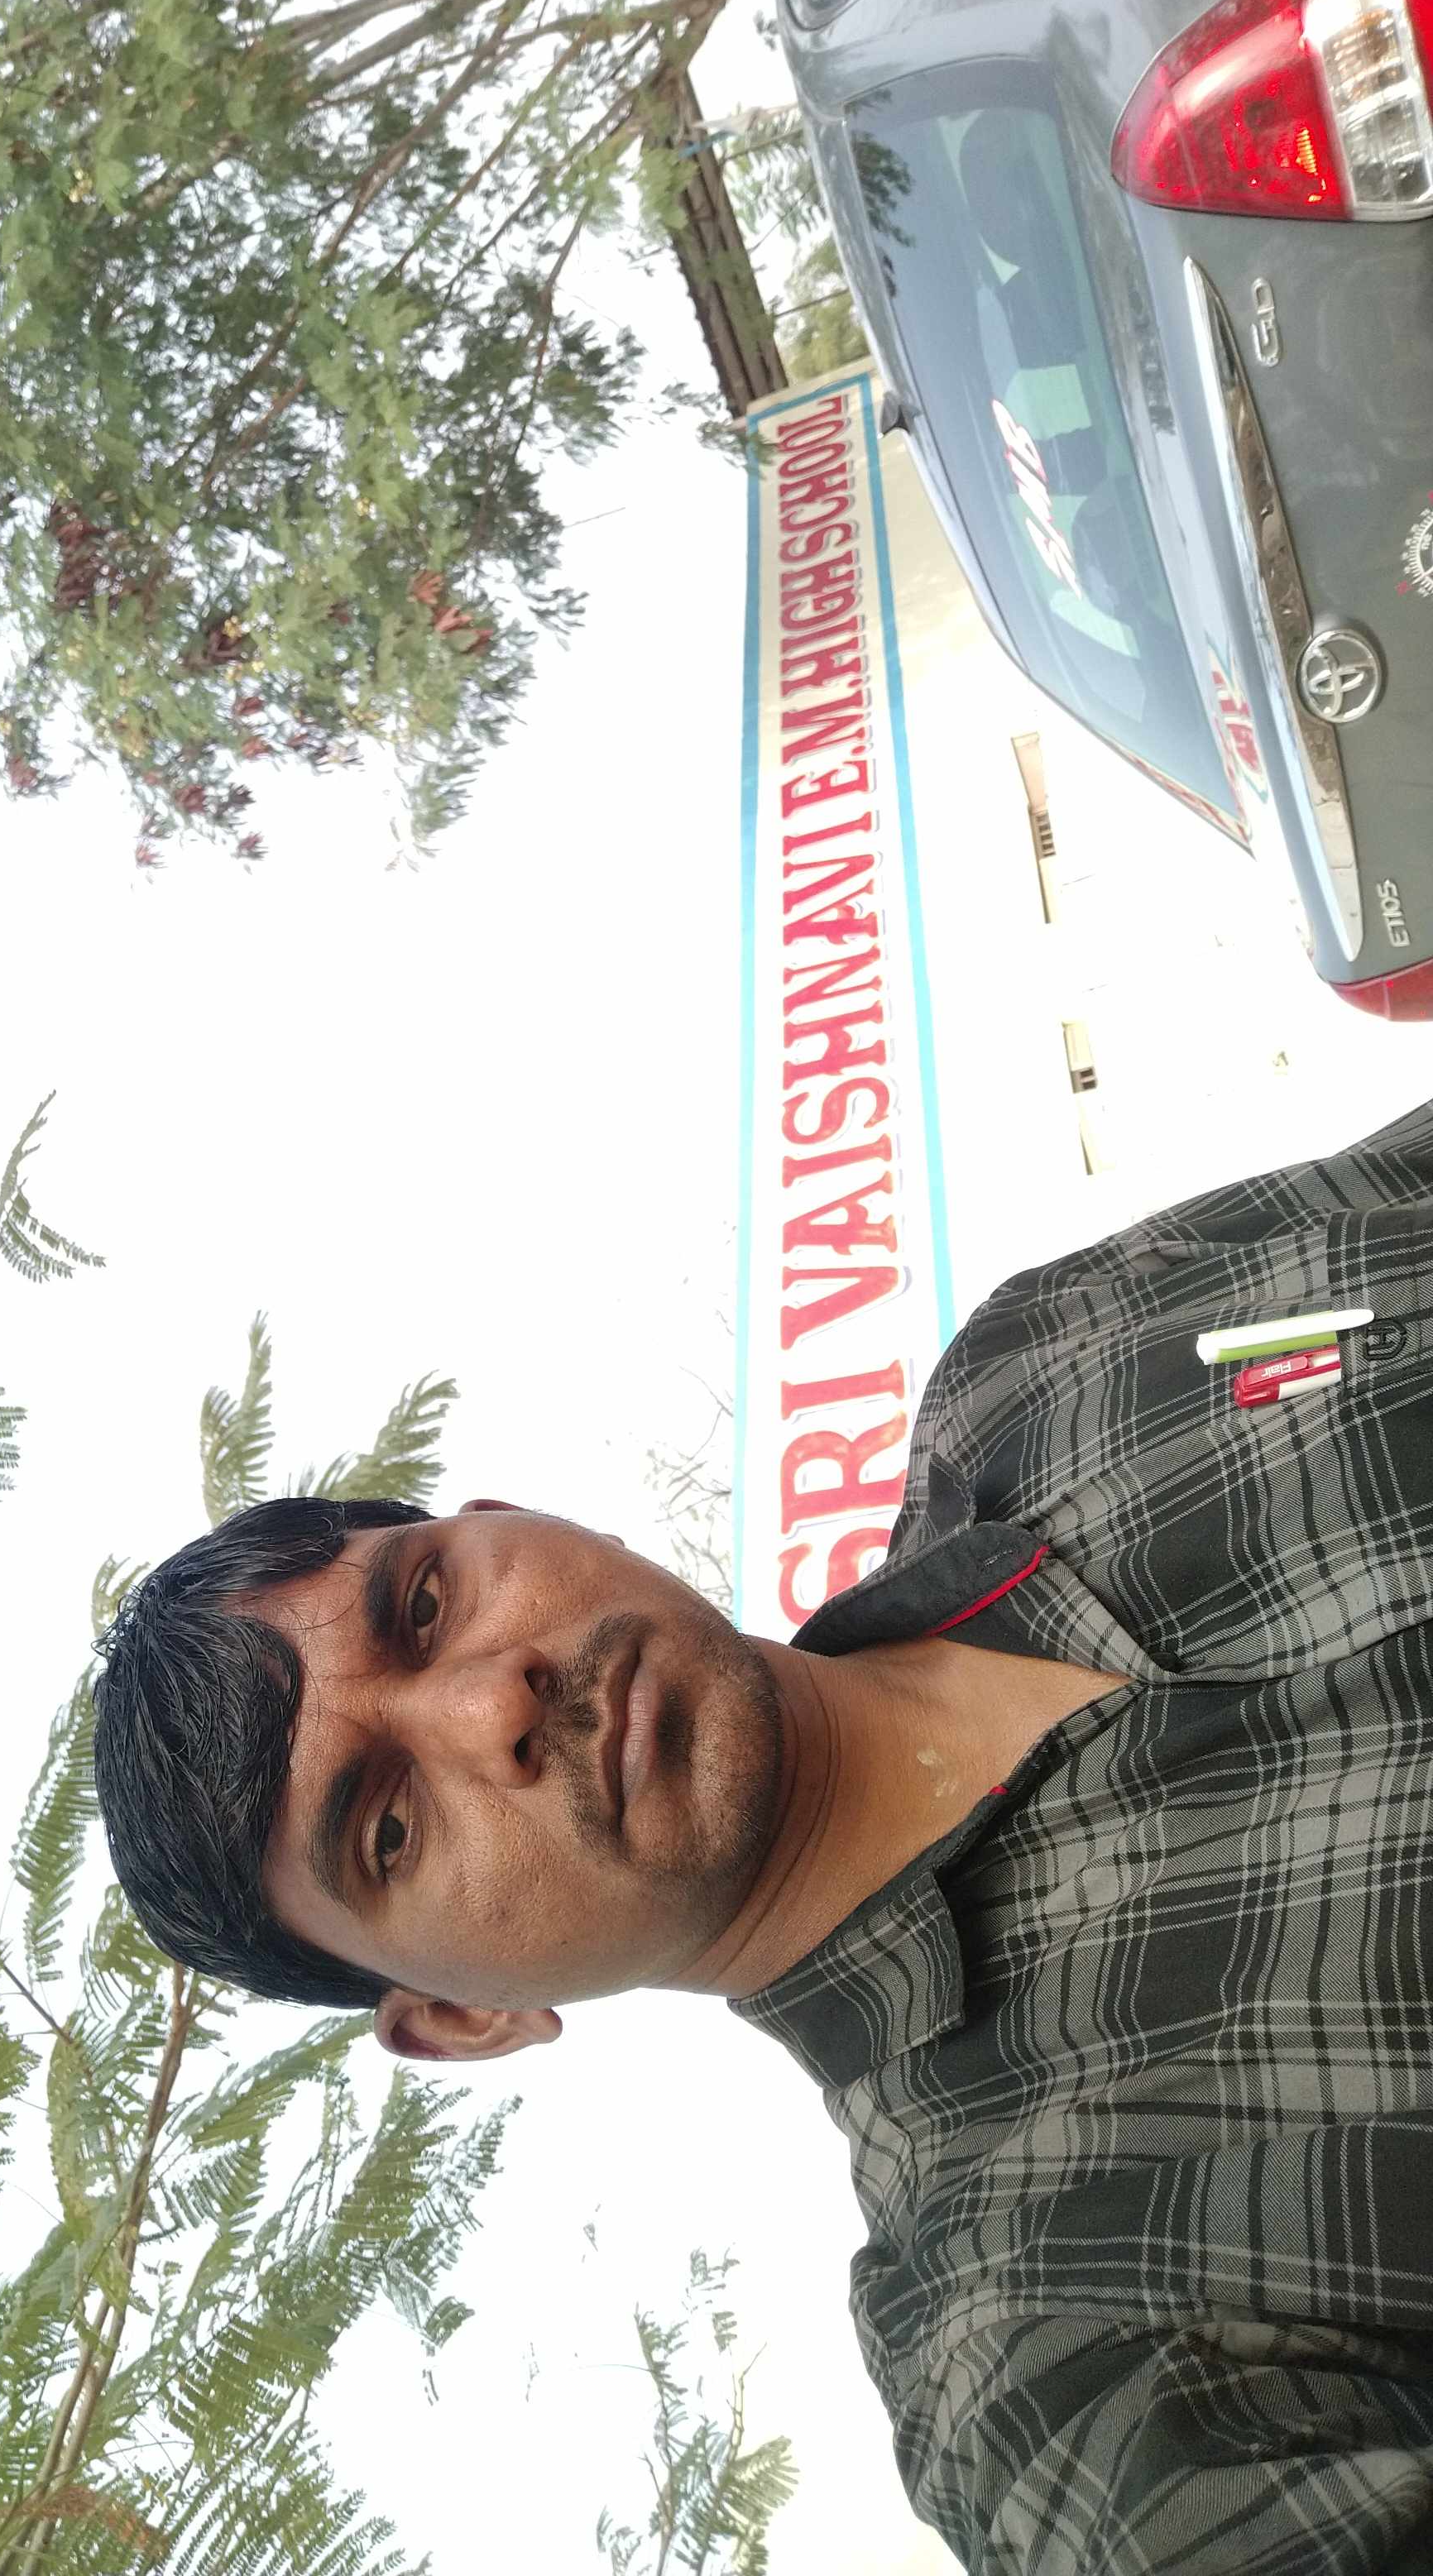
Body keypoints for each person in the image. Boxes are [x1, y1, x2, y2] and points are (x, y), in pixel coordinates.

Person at [93, 1100, 1433, 2576]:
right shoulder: (1036, 2333)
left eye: (424, 1603)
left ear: (515, 1516)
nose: (491, 1702)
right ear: (463, 2019)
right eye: (390, 1826)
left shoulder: (1037, 1368)